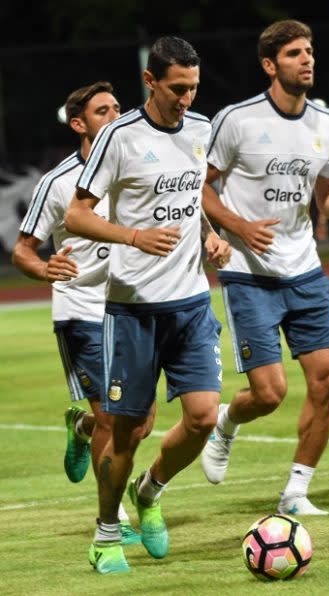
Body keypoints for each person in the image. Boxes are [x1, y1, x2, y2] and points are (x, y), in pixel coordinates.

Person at [65, 36, 230, 574]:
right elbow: (77, 216)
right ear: (151, 81)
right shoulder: (119, 136)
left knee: (204, 418)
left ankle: (151, 489)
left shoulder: (203, 131)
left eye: (193, 88)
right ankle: (106, 532)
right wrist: (134, 237)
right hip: (133, 308)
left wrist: (212, 235)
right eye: (177, 88)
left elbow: (188, 199)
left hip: (191, 303)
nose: (186, 98)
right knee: (128, 430)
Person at [200, 19, 329, 516]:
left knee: (327, 381)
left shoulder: (327, 125)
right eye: (294, 54)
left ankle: (296, 492)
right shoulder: (237, 120)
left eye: (309, 51)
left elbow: (328, 198)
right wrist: (237, 228)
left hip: (304, 267)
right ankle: (226, 423)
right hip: (249, 270)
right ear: (270, 65)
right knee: (269, 393)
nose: (306, 60)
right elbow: (199, 185)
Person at [12, 81, 154, 545]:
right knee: (114, 420)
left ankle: (80, 427)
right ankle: (112, 522)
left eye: (117, 107)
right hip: (81, 310)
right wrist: (44, 269)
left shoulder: (136, 168)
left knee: (141, 422)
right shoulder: (57, 184)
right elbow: (23, 250)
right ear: (79, 124)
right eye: (102, 110)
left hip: (132, 306)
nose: (115, 115)